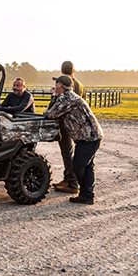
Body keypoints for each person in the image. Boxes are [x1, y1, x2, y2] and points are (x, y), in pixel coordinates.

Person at [45, 75, 103, 204]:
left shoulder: (66, 98)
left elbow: (50, 114)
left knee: (77, 167)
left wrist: (53, 97)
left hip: (88, 137)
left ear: (60, 85)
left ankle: (86, 193)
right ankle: (87, 195)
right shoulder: (71, 96)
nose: (55, 86)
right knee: (87, 166)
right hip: (92, 136)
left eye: (56, 83)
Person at [53, 60, 85, 194]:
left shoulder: (65, 84)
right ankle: (68, 178)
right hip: (78, 123)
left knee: (67, 152)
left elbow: (59, 104)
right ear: (74, 70)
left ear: (61, 70)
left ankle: (72, 182)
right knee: (71, 152)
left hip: (66, 123)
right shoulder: (81, 85)